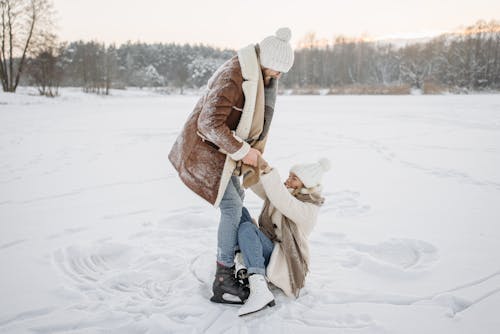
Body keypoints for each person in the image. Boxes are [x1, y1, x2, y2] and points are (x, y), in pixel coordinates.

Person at [168, 28, 295, 304]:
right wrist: (243, 151)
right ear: (266, 60)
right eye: (278, 69)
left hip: (222, 156)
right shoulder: (234, 75)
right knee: (232, 207)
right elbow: (208, 123)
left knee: (237, 199)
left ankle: (241, 262)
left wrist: (248, 154)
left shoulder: (256, 75)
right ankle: (223, 278)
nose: (279, 76)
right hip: (204, 153)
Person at [236, 157, 331, 316]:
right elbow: (265, 189)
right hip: (268, 247)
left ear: (306, 185)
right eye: (289, 175)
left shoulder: (308, 209)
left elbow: (281, 199)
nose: (288, 179)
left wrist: (268, 171)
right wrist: (248, 168)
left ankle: (259, 286)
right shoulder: (286, 195)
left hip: (282, 258)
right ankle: (240, 263)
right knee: (238, 212)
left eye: (294, 178)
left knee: (247, 229)